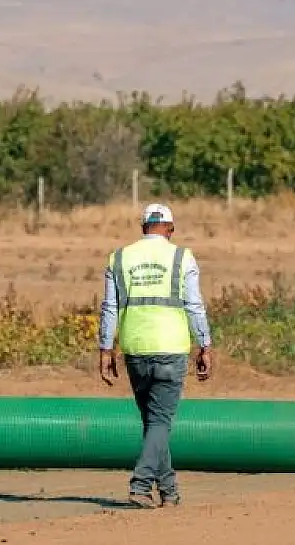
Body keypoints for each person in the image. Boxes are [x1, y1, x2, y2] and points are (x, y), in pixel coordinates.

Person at [98, 202, 213, 509]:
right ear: (170, 229)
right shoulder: (182, 257)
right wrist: (205, 344)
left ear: (143, 228)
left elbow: (110, 307)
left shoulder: (120, 257)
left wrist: (105, 349)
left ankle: (169, 490)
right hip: (171, 348)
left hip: (135, 349)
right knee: (160, 421)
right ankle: (140, 483)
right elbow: (194, 305)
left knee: (153, 422)